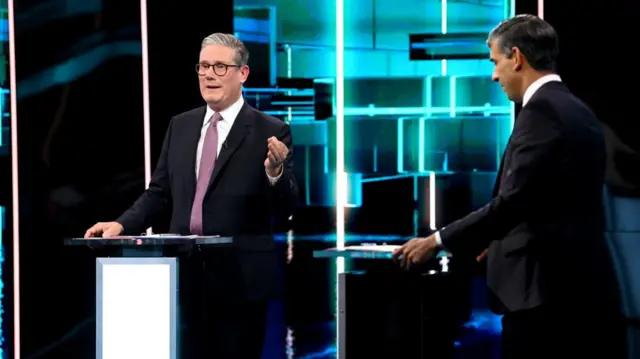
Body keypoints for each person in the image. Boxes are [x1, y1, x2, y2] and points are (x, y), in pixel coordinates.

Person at [393, 15, 624, 359]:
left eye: (496, 62)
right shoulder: (576, 109)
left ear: (516, 57)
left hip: (542, 295)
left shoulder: (542, 113)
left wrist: (435, 241)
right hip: (576, 287)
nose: (494, 75)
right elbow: (546, 199)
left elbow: (514, 201)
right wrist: (492, 239)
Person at [85, 33, 298, 359]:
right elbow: (159, 192)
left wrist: (275, 172)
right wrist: (121, 225)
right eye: (203, 66)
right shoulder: (180, 126)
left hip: (240, 283)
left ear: (243, 74)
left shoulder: (270, 130)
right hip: (183, 278)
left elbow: (286, 209)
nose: (209, 74)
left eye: (220, 67)